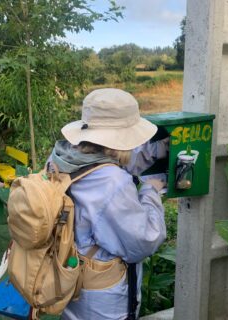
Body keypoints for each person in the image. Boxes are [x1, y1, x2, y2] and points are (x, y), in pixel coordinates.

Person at [49, 88, 168, 320]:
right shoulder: (113, 182)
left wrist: (156, 151)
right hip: (102, 297)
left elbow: (108, 164)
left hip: (69, 277)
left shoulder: (61, 158)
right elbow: (143, 241)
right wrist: (151, 191)